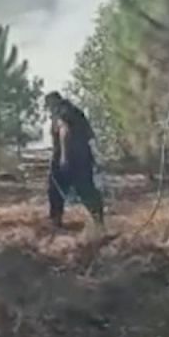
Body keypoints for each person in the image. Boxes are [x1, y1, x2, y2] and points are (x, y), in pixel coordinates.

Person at [44, 92, 105, 234]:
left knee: (55, 188)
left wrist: (64, 156)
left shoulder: (61, 113)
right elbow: (90, 136)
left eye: (48, 105)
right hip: (83, 157)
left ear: (53, 103)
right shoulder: (77, 112)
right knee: (86, 189)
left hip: (69, 158)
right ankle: (99, 222)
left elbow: (64, 130)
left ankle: (56, 221)